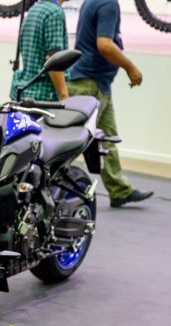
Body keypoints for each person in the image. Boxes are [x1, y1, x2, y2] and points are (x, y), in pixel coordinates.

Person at [67, 0, 152, 208]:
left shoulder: (93, 1)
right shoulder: (108, 4)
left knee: (107, 139)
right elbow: (104, 45)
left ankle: (119, 190)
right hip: (90, 84)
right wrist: (130, 67)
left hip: (96, 83)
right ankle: (46, 185)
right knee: (72, 143)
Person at [11, 0, 70, 102]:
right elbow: (53, 58)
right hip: (43, 96)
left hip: (25, 92)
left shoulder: (34, 10)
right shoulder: (54, 13)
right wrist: (64, 96)